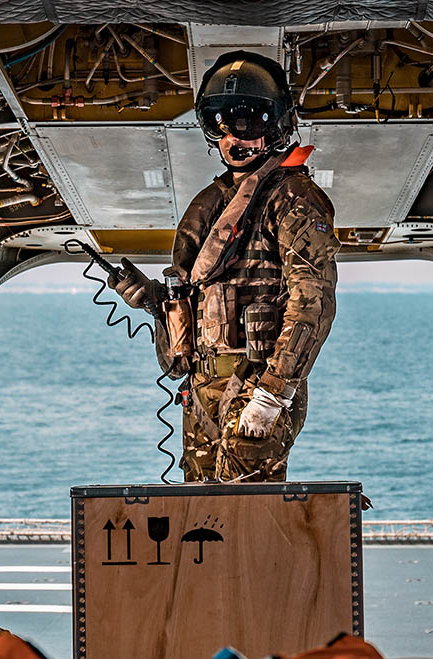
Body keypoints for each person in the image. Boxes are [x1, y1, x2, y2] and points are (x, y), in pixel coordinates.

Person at [110, 50, 339, 482]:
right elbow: (199, 297)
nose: (232, 137)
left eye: (247, 123)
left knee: (248, 523)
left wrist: (274, 393)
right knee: (201, 519)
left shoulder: (292, 198)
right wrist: (151, 299)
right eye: (220, 124)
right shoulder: (213, 205)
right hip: (202, 390)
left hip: (257, 384)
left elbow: (313, 302)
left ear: (276, 126)